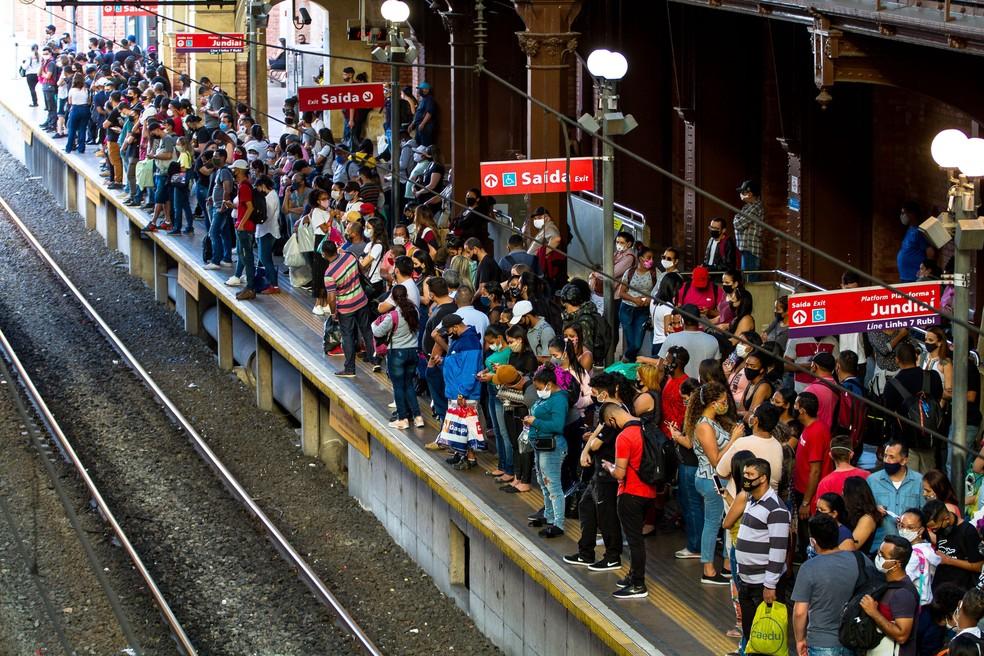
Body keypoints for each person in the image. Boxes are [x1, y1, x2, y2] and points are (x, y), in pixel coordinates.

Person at [729, 458, 790, 646]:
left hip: (762, 585)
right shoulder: (751, 500)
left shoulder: (776, 509)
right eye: (744, 474)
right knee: (750, 634)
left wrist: (770, 585)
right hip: (746, 581)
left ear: (763, 478)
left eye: (750, 475)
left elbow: (778, 550)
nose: (745, 478)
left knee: (765, 637)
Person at [792, 513, 870, 656]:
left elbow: (800, 612)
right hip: (855, 639)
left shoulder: (809, 568)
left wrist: (800, 640)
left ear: (813, 541)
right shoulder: (861, 559)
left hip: (821, 643)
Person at [600, 403, 657, 599]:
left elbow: (620, 473)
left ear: (611, 420)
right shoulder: (646, 427)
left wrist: (609, 467)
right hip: (649, 490)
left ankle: (638, 584)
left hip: (630, 492)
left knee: (634, 541)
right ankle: (632, 575)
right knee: (637, 539)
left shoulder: (624, 437)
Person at [679, 381, 733, 584]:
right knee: (713, 524)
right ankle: (708, 570)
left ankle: (727, 565)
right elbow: (716, 459)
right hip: (712, 480)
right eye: (723, 401)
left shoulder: (712, 422)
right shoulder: (704, 426)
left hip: (718, 480)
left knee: (723, 523)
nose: (725, 404)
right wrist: (734, 439)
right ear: (712, 403)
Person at [566, 401, 623, 571]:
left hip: (608, 474)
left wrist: (589, 445)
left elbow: (595, 442)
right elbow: (595, 435)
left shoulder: (616, 416)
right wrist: (585, 451)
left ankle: (612, 557)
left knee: (607, 516)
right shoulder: (608, 414)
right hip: (598, 473)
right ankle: (586, 553)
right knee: (586, 506)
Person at [524, 364, 569, 538]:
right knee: (543, 483)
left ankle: (558, 523)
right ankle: (549, 516)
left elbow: (557, 426)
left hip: (553, 446)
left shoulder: (559, 400)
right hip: (541, 444)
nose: (537, 391)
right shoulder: (546, 398)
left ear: (549, 384)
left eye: (539, 388)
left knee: (553, 485)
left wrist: (535, 422)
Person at [321, 239, 378, 378]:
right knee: (367, 331)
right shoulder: (350, 255)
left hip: (346, 309)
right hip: (361, 300)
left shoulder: (329, 274)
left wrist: (334, 312)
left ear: (324, 254)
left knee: (348, 337)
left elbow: (331, 297)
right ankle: (374, 359)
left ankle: (350, 368)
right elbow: (361, 269)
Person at [884, 342, 944, 473]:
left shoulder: (892, 385)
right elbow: (938, 400)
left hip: (905, 443)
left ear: (897, 360)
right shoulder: (933, 377)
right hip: (931, 439)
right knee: (930, 482)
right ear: (916, 357)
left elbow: (889, 414)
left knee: (909, 483)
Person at [436, 314, 484, 469]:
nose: (448, 334)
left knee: (467, 428)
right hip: (455, 391)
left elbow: (470, 371)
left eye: (449, 330)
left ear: (456, 327)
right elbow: (457, 365)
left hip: (464, 394)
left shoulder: (469, 342)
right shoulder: (459, 340)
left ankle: (470, 459)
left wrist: (462, 392)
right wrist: (443, 362)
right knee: (458, 427)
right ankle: (460, 454)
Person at [373, 285, 423, 430]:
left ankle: (402, 418)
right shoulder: (415, 312)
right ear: (406, 295)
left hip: (397, 354)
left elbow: (378, 332)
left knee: (399, 387)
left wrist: (372, 325)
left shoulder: (393, 316)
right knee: (409, 385)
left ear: (393, 298)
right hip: (413, 352)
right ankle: (417, 416)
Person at [860, 536, 919, 656]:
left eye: (883, 556)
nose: (878, 557)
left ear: (896, 564)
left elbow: (902, 636)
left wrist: (873, 612)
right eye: (878, 553)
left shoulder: (903, 594)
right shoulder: (886, 584)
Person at [716, 402, 784, 498]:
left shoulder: (742, 443)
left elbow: (721, 472)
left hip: (739, 505)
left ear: (755, 421)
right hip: (767, 504)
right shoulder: (778, 446)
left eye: (753, 414)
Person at [869, 440, 924, 548]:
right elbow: (863, 510)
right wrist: (874, 510)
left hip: (911, 547)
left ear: (904, 460)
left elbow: (924, 512)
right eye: (885, 456)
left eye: (891, 457)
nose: (886, 460)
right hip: (880, 545)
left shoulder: (919, 481)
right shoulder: (872, 480)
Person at [793, 392, 832, 543]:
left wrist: (806, 502)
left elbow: (815, 470)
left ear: (802, 410)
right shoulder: (810, 427)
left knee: (807, 536)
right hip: (802, 490)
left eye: (796, 405)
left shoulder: (816, 432)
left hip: (809, 494)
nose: (794, 408)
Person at [923, 499, 983, 594]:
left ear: (946, 518)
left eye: (935, 528)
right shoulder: (940, 529)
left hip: (960, 589)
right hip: (940, 587)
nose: (934, 531)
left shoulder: (968, 532)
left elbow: (978, 566)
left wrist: (948, 560)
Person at [617, 247, 658, 361]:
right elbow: (621, 293)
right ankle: (629, 368)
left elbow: (659, 291)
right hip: (626, 310)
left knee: (637, 343)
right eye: (648, 258)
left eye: (652, 258)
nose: (651, 261)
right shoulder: (629, 272)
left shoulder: (654, 273)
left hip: (643, 312)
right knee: (631, 342)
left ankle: (625, 360)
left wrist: (650, 299)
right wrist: (634, 299)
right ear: (640, 259)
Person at [660, 304, 720, 379]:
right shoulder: (713, 340)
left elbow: (660, 368)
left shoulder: (671, 338)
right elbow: (717, 370)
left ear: (682, 319)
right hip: (702, 388)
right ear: (699, 319)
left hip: (678, 388)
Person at [897, 507, 940, 606]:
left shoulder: (914, 555)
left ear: (921, 531)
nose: (904, 530)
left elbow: (900, 580)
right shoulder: (926, 549)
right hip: (924, 603)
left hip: (913, 606)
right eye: (902, 526)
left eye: (910, 528)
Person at [227, 160, 257, 300]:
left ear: (239, 170)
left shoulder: (244, 187)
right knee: (244, 254)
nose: (233, 172)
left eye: (234, 169)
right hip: (244, 225)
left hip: (245, 227)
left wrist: (242, 224)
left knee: (247, 257)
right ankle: (249, 287)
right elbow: (244, 207)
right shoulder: (245, 185)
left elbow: (250, 207)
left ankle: (251, 287)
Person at [815, 434, 870, 498]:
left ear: (830, 455)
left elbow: (821, 506)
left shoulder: (825, 483)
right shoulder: (867, 476)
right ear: (851, 454)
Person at [254, 176, 281, 294]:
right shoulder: (270, 196)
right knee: (262, 259)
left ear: (263, 186)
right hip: (264, 231)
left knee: (265, 259)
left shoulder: (271, 197)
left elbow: (266, 215)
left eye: (259, 187)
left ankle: (274, 285)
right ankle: (260, 281)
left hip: (268, 232)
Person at [733, 180, 764, 274]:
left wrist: (736, 217)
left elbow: (738, 224)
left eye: (743, 192)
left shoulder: (755, 207)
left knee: (750, 280)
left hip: (751, 249)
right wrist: (737, 218)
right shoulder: (747, 207)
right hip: (746, 248)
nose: (741, 195)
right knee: (746, 278)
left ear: (749, 194)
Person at [803, 352, 839, 430]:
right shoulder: (837, 385)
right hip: (830, 432)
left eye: (812, 364)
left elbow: (802, 415)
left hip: (814, 431)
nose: (811, 367)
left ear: (815, 366)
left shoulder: (811, 390)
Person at [897, 201, 929, 283]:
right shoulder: (910, 229)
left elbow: (930, 252)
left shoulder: (919, 232)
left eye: (904, 213)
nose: (902, 216)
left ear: (912, 214)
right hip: (905, 276)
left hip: (913, 277)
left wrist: (926, 270)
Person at [64, 75, 91, 154]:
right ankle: (81, 148)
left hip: (75, 109)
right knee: (82, 129)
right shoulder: (86, 90)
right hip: (85, 109)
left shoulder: (72, 90)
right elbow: (89, 101)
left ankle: (68, 148)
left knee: (72, 129)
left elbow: (70, 102)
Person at [409, 81, 436, 147]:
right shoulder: (423, 100)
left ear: (426, 90)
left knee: (424, 146)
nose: (419, 91)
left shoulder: (429, 100)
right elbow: (418, 113)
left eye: (420, 89)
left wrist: (422, 124)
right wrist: (412, 123)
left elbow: (429, 113)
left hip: (425, 127)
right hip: (419, 126)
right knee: (418, 145)